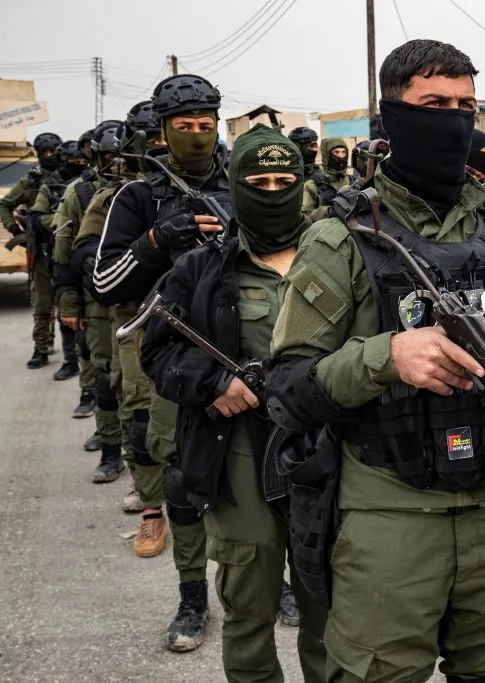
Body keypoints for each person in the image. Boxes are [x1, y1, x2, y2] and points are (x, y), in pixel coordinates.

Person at [266, 38, 485, 683]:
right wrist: (385, 356)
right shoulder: (341, 237)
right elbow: (286, 388)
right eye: (434, 103)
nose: (455, 119)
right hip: (391, 516)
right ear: (391, 116)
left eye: (467, 105)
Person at [142, 124, 326, 682]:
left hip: (327, 453)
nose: (273, 191)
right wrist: (212, 383)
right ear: (236, 184)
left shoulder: (338, 256)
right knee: (249, 604)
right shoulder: (202, 268)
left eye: (284, 179)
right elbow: (157, 351)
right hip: (240, 453)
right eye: (259, 180)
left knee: (329, 605)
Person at [93, 74, 226, 652]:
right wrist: (152, 242)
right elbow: (103, 282)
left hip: (241, 339)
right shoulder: (137, 196)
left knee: (278, 459)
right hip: (165, 342)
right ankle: (192, 596)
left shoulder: (243, 182)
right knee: (177, 469)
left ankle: (286, 578)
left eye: (206, 125)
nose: (197, 136)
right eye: (184, 127)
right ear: (163, 132)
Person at [78, 101, 166, 514]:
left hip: (198, 318)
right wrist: (150, 245)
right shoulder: (118, 198)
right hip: (136, 316)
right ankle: (148, 496)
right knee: (138, 405)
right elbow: (87, 259)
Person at [52, 121, 127, 479]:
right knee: (105, 377)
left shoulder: (146, 187)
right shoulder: (80, 194)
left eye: (120, 154)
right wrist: (68, 303)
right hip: (97, 304)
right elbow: (64, 252)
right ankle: (111, 450)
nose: (115, 162)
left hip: (145, 300)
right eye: (108, 156)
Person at [29, 139, 90, 383]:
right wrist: (62, 219)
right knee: (65, 308)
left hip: (88, 254)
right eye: (72, 161)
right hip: (59, 253)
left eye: (80, 161)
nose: (77, 165)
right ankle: (68, 360)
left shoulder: (89, 184)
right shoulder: (49, 186)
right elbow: (37, 218)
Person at [1, 132, 62, 369]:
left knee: (71, 302)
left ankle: (74, 351)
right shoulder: (31, 180)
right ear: (38, 154)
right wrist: (14, 229)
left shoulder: (70, 175)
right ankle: (42, 347)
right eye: (44, 153)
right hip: (41, 249)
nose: (49, 157)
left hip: (67, 247)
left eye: (53, 152)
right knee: (42, 303)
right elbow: (5, 205)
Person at [301, 137, 351, 221]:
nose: (341, 156)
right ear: (327, 155)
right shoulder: (312, 185)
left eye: (344, 152)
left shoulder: (352, 180)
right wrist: (328, 211)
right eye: (336, 152)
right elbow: (304, 216)